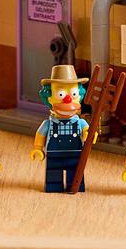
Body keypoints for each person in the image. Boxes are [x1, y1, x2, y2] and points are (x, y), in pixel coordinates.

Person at [30, 64, 90, 193]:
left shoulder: (80, 123)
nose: (68, 99)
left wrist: (88, 134)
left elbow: (87, 131)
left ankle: (74, 185)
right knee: (53, 176)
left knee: (75, 176)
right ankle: (54, 186)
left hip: (75, 154)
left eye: (74, 94)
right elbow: (40, 134)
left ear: (79, 96)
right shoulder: (48, 123)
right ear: (49, 98)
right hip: (54, 154)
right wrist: (38, 148)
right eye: (60, 94)